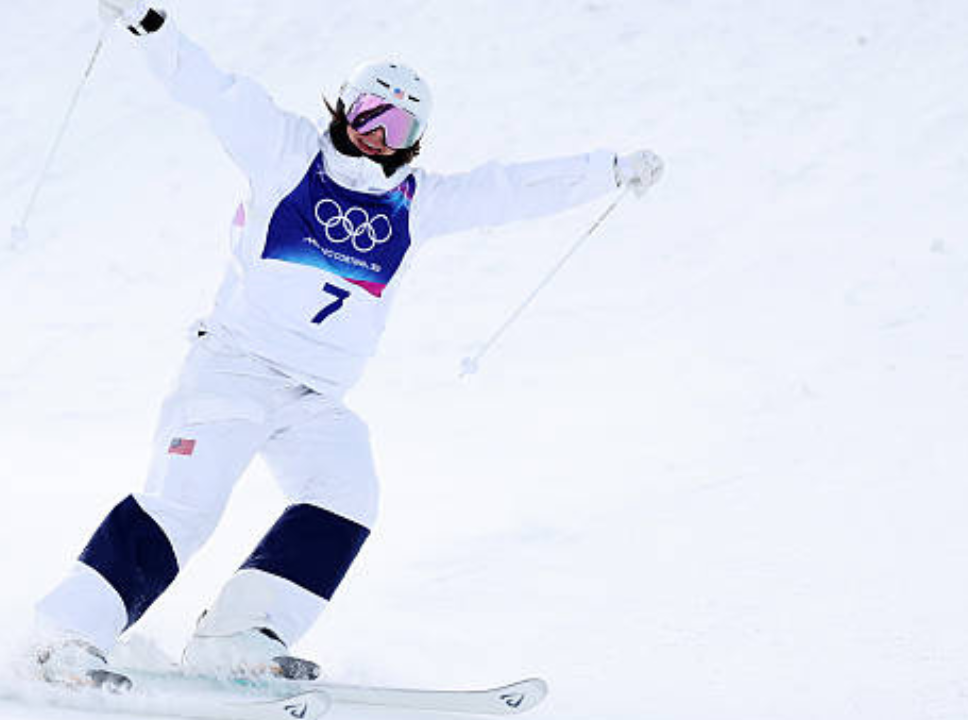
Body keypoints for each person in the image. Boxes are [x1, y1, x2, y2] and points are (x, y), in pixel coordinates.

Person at [33, 0, 665, 687]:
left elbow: (508, 190)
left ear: (415, 137)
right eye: (368, 113)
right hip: (234, 371)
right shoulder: (286, 152)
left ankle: (239, 634)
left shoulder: (417, 202)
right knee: (186, 503)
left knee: (346, 492)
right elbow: (214, 91)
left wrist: (607, 169)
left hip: (312, 396)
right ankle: (65, 637)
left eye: (398, 125)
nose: (377, 134)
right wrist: (152, 26)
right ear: (344, 109)